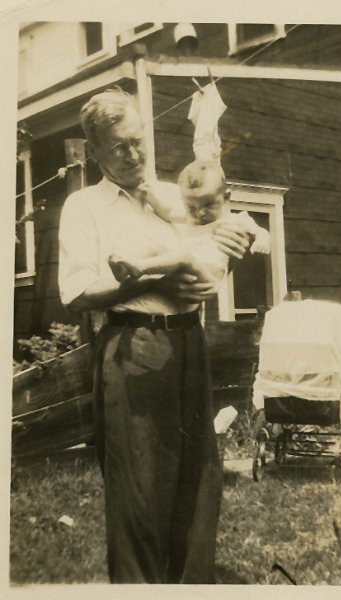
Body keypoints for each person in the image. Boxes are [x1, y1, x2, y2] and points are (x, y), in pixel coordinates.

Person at [58, 87, 249, 584]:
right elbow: (76, 291)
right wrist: (154, 278)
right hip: (133, 348)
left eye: (139, 140)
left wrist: (228, 245)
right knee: (138, 491)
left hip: (189, 345)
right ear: (95, 151)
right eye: (120, 146)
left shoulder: (173, 195)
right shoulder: (84, 207)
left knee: (196, 480)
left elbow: (209, 250)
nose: (135, 154)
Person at [109, 160, 270, 292]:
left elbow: (260, 231)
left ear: (226, 197)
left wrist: (262, 240)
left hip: (208, 276)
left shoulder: (234, 219)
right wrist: (152, 199)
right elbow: (168, 212)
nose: (200, 213)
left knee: (183, 256)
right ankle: (126, 268)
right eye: (191, 207)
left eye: (208, 205)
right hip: (185, 271)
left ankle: (140, 268)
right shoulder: (190, 218)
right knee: (159, 247)